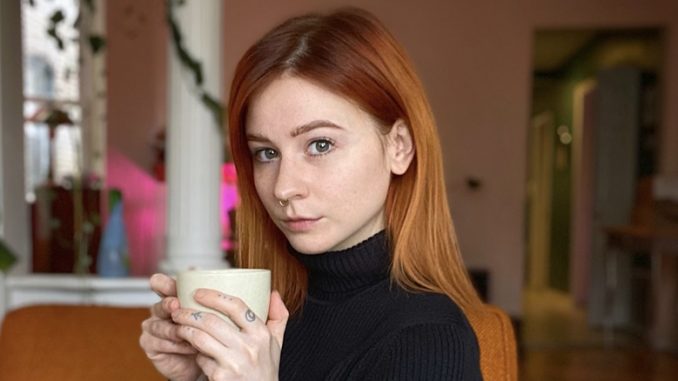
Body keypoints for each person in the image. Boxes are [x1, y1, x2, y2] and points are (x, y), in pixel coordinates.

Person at [140, 7, 483, 381]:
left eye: (320, 144)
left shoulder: (428, 339)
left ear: (398, 146)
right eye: (267, 153)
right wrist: (198, 376)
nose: (284, 187)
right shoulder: (270, 320)